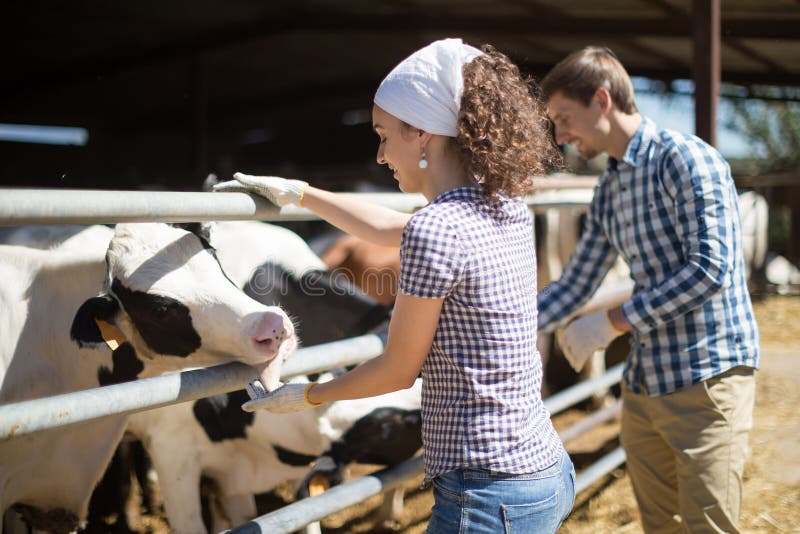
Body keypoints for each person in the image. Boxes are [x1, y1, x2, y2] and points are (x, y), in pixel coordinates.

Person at [215, 38, 574, 533]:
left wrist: (308, 395)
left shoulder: (437, 228)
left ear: (422, 133)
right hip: (544, 470)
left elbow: (398, 370)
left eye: (384, 135)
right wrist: (302, 194)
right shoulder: (503, 204)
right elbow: (389, 227)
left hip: (487, 494)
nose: (381, 154)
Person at [537, 46, 759, 533]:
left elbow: (711, 269)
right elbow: (575, 283)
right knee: (659, 525)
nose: (560, 136)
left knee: (709, 526)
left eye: (564, 118)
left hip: (708, 376)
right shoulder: (610, 189)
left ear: (601, 100)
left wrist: (612, 322)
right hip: (645, 382)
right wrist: (507, 327)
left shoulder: (686, 160)